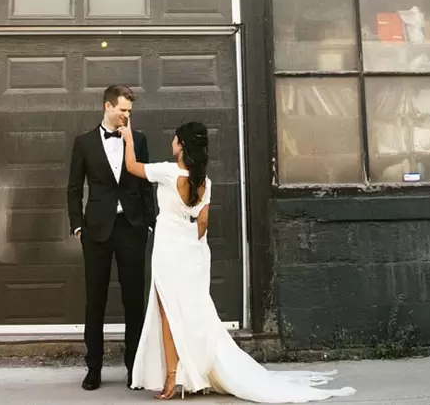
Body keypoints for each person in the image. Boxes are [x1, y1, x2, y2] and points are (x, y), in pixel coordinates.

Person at [122, 122, 356, 402]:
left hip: (168, 248)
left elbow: (132, 166)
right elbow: (203, 223)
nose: (171, 143)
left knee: (168, 315)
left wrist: (128, 138)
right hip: (191, 249)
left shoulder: (169, 172)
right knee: (194, 310)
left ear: (181, 145)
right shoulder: (204, 182)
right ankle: (192, 371)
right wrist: (190, 245)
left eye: (174, 139)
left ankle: (174, 377)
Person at [67, 84, 157, 391]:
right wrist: (77, 226)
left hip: (131, 229)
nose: (127, 116)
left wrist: (149, 223)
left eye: (130, 111)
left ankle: (135, 368)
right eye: (122, 110)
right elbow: (74, 188)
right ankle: (93, 368)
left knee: (135, 302)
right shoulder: (84, 143)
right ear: (107, 107)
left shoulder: (139, 140)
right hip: (97, 232)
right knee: (96, 301)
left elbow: (146, 184)